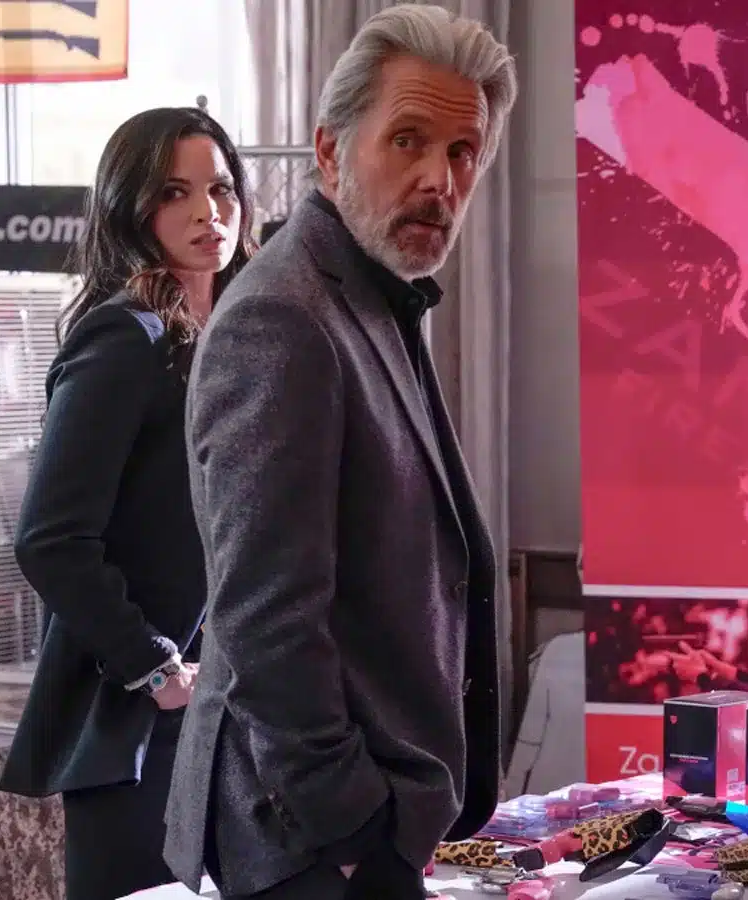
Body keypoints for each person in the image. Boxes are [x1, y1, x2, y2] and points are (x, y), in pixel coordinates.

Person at [163, 6, 517, 899]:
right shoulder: (283, 317)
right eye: (407, 140)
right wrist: (356, 830)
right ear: (329, 152)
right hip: (307, 842)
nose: (439, 178)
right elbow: (267, 618)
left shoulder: (371, 292)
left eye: (463, 152)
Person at [0, 106, 255, 900]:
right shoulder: (124, 339)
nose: (207, 212)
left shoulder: (238, 336)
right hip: (138, 726)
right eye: (175, 192)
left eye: (220, 188)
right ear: (131, 208)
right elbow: (50, 538)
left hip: (231, 714)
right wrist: (153, 665)